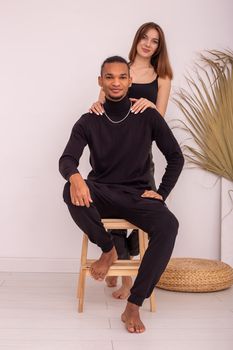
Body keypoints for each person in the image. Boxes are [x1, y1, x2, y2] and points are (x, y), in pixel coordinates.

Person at [59, 56, 184, 333]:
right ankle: (109, 248)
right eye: (109, 77)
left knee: (168, 226)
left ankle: (133, 305)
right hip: (102, 192)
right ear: (100, 81)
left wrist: (160, 193)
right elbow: (67, 159)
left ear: (130, 81)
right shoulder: (89, 119)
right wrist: (76, 177)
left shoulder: (146, 115)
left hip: (137, 195)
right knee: (70, 189)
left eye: (121, 77)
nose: (115, 82)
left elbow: (176, 156)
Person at [89, 22, 173, 298]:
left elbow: (158, 121)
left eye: (155, 41)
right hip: (113, 154)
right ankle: (123, 276)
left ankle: (126, 271)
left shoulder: (162, 77)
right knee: (112, 211)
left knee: (143, 211)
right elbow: (101, 106)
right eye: (145, 38)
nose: (148, 44)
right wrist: (94, 104)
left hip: (140, 156)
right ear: (137, 40)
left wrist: (150, 106)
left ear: (159, 47)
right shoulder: (119, 69)